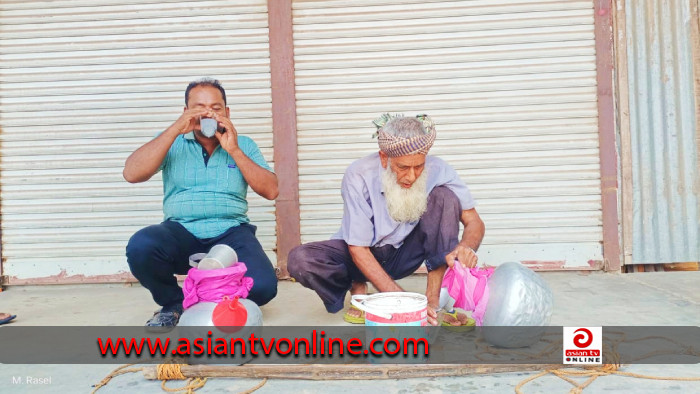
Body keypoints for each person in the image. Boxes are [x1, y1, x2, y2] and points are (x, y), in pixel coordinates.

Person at [287, 114, 485, 325]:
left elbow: (474, 221)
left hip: (405, 254)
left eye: (418, 167)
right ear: (384, 157)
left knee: (444, 197)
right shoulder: (358, 174)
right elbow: (358, 249)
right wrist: (406, 304)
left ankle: (433, 301)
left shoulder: (439, 169)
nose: (412, 176)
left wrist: (466, 247)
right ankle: (358, 286)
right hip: (361, 256)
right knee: (301, 260)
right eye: (402, 168)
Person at [124, 78, 279, 327]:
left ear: (227, 113)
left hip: (231, 234)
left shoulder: (244, 145)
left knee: (263, 287)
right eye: (199, 108)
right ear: (186, 112)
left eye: (216, 108)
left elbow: (271, 191)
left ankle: (212, 299)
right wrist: (175, 129)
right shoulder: (170, 141)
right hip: (181, 231)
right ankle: (174, 303)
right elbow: (132, 174)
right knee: (142, 246)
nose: (208, 113)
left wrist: (235, 151)